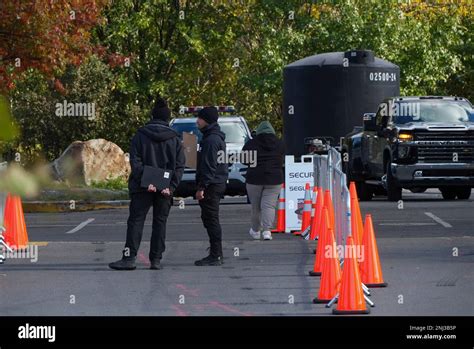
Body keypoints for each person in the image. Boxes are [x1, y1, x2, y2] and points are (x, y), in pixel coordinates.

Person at [109, 97, 185, 271]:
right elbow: (179, 166)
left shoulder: (140, 135)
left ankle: (129, 258)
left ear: (152, 116)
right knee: (160, 222)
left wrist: (147, 182)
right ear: (167, 119)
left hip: (141, 187)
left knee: (136, 221)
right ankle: (156, 259)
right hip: (165, 189)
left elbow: (135, 162)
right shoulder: (175, 140)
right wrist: (170, 187)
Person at [194, 106, 228, 266]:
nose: (197, 121)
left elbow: (209, 166)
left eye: (199, 118)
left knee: (211, 218)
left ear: (206, 120)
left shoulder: (210, 140)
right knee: (209, 218)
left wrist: (202, 187)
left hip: (212, 184)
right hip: (217, 182)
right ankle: (216, 252)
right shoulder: (215, 138)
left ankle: (216, 255)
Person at [242, 121, 285, 241]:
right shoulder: (279, 143)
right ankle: (267, 231)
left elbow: (244, 160)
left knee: (256, 206)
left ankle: (256, 231)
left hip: (254, 178)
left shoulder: (251, 143)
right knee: (269, 206)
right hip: (274, 179)